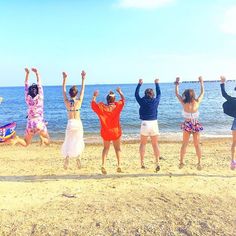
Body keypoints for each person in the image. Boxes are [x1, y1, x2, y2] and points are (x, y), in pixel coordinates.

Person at [12, 68, 50, 146]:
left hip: (30, 123)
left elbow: (26, 85)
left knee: (26, 143)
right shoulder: (40, 98)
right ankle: (43, 139)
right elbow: (39, 84)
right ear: (38, 91)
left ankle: (18, 139)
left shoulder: (27, 99)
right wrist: (37, 73)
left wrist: (27, 73)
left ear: (29, 92)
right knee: (48, 141)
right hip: (39, 123)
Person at [91, 88, 125, 174]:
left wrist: (94, 96)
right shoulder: (117, 106)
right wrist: (120, 92)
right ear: (114, 99)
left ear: (107, 99)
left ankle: (103, 164)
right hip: (115, 131)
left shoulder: (102, 108)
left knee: (105, 148)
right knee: (117, 149)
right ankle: (119, 165)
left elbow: (93, 105)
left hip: (106, 131)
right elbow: (123, 100)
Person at [174, 76, 204, 170]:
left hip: (187, 124)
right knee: (196, 144)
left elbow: (177, 93)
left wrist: (177, 83)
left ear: (186, 95)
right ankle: (199, 163)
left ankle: (181, 162)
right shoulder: (197, 102)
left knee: (184, 144)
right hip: (195, 124)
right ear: (193, 95)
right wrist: (201, 82)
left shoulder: (184, 102)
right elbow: (202, 92)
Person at [135, 79, 161, 172]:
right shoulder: (155, 101)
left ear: (145, 94)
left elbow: (136, 95)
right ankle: (157, 162)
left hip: (145, 123)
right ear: (152, 94)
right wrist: (157, 84)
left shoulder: (142, 101)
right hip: (154, 123)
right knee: (155, 144)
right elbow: (159, 94)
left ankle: (142, 163)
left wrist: (139, 84)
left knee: (143, 144)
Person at [61, 71, 86, 170]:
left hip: (70, 123)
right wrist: (83, 78)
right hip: (78, 123)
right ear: (76, 93)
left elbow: (63, 90)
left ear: (70, 93)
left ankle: (67, 158)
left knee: (68, 141)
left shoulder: (67, 102)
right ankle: (78, 157)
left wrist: (64, 79)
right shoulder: (79, 101)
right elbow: (83, 89)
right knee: (78, 140)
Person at [220, 76, 236, 170]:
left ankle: (233, 162)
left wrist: (222, 83)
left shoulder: (234, 100)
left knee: (234, 142)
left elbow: (224, 94)